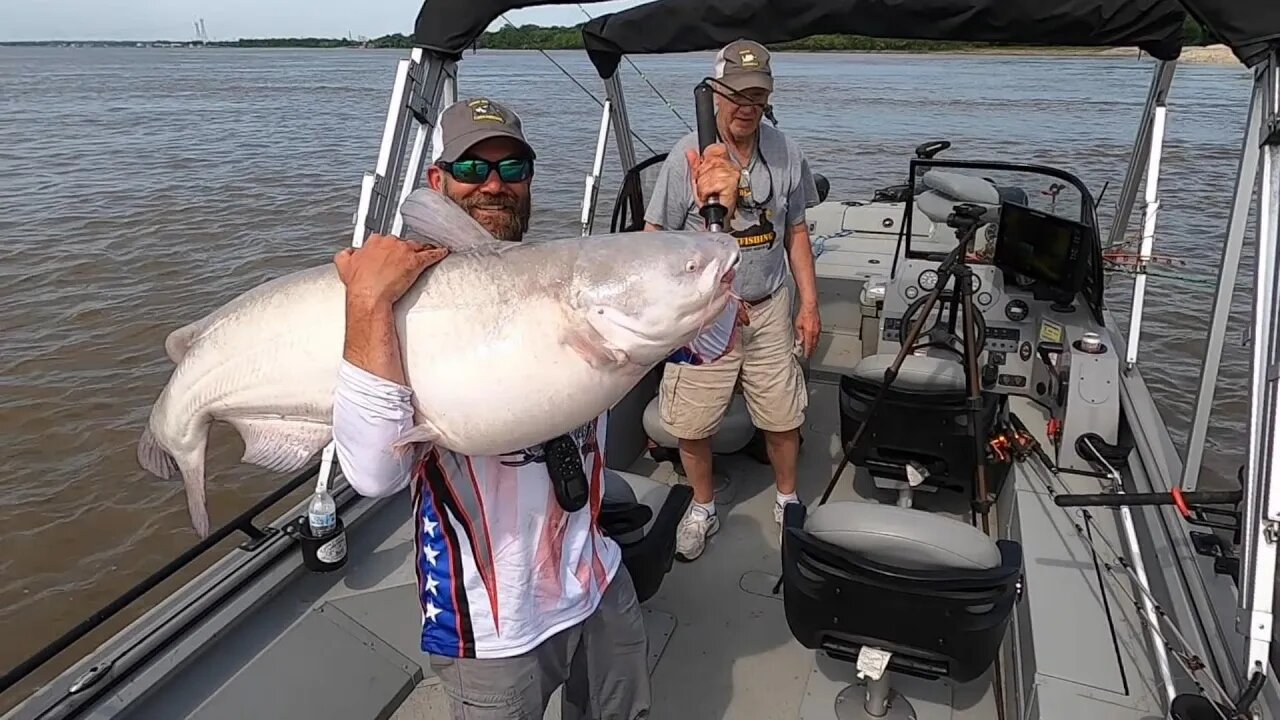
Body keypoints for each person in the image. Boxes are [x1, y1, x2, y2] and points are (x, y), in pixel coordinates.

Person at [330, 97, 653, 720]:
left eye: (513, 169)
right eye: (473, 170)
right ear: (438, 181)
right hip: (493, 624)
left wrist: (720, 218)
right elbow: (374, 475)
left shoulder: (566, 276)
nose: (495, 186)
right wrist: (367, 308)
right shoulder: (400, 310)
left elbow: (705, 326)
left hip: (596, 578)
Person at [644, 39, 822, 562]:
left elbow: (797, 232)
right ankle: (702, 506)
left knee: (784, 416)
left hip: (769, 307)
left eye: (758, 95)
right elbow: (656, 238)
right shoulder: (687, 156)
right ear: (715, 93)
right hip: (708, 320)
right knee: (692, 424)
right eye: (737, 93)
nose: (747, 105)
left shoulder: (787, 151)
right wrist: (706, 301)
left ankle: (787, 501)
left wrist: (808, 306)